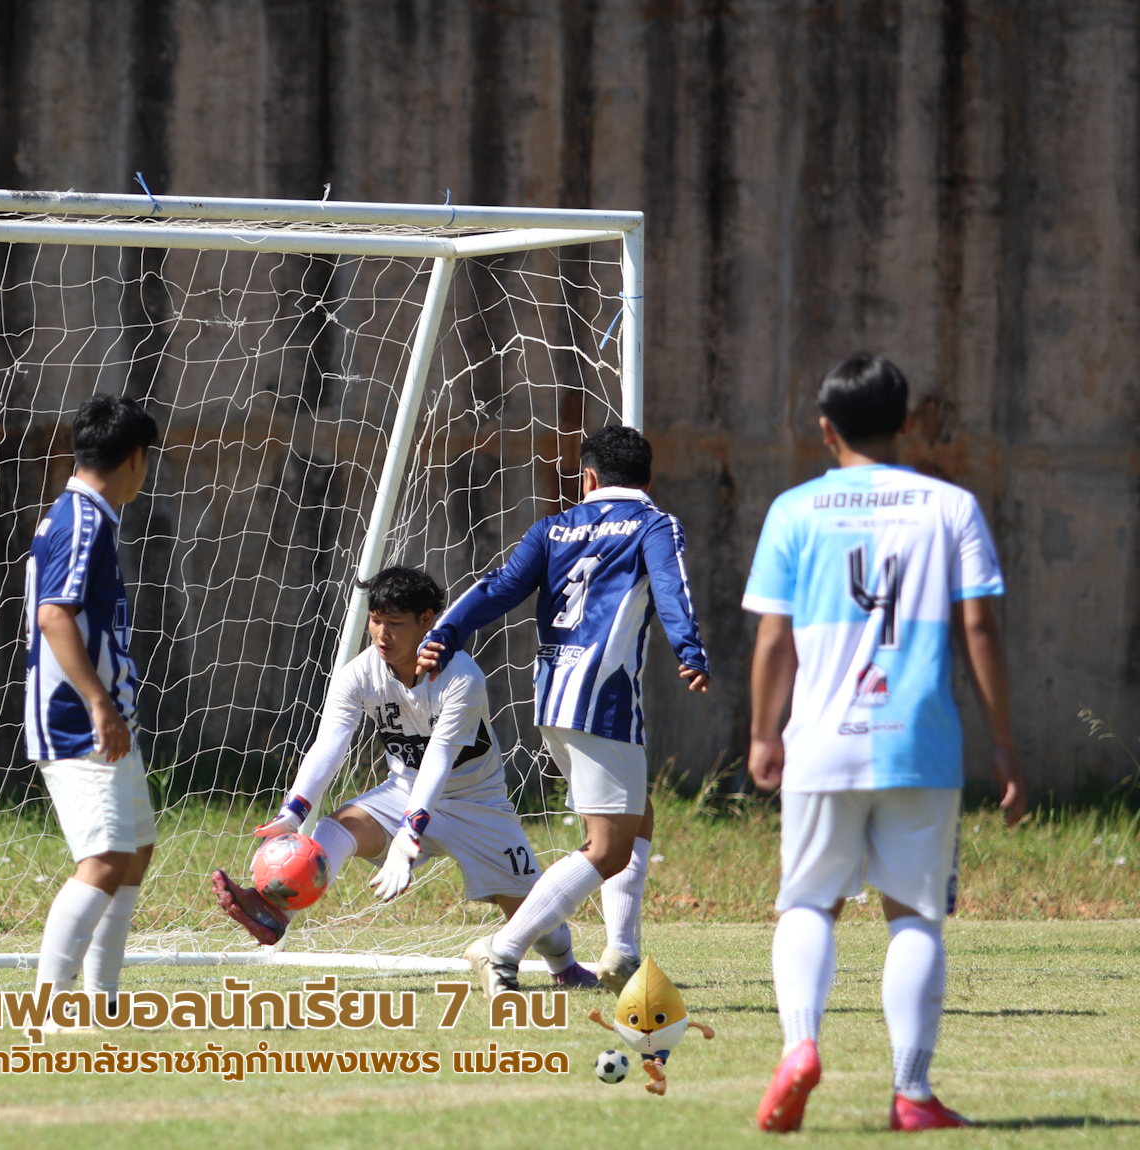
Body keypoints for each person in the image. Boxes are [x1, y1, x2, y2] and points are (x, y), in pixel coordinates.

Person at [745, 355, 1024, 1133]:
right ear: (906, 422)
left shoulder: (794, 511)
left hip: (821, 743)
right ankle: (912, 1093)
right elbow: (978, 628)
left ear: (825, 429)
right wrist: (1004, 746)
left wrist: (764, 732)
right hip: (919, 744)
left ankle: (800, 1048)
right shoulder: (952, 507)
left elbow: (773, 639)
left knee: (808, 902)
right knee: (915, 917)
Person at [415, 425, 710, 994]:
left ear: (589, 478)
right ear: (648, 479)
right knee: (608, 847)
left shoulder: (552, 527)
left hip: (553, 695)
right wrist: (690, 651)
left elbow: (499, 587)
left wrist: (445, 634)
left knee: (635, 813)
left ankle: (623, 953)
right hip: (604, 698)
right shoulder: (655, 524)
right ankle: (502, 949)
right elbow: (672, 589)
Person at [211, 566, 597, 988]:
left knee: (533, 916)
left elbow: (439, 759)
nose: (382, 634)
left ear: (427, 620)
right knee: (335, 828)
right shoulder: (359, 674)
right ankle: (275, 911)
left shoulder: (461, 677)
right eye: (376, 620)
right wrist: (293, 811)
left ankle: (566, 968)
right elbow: (330, 743)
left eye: (395, 623)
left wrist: (408, 834)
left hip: (476, 803)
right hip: (404, 790)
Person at [25, 394, 159, 1011]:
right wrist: (100, 704)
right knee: (104, 858)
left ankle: (102, 1001)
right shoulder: (82, 519)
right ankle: (49, 1008)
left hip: (106, 717)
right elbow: (54, 616)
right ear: (135, 458)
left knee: (134, 850)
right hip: (79, 720)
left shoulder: (84, 514)